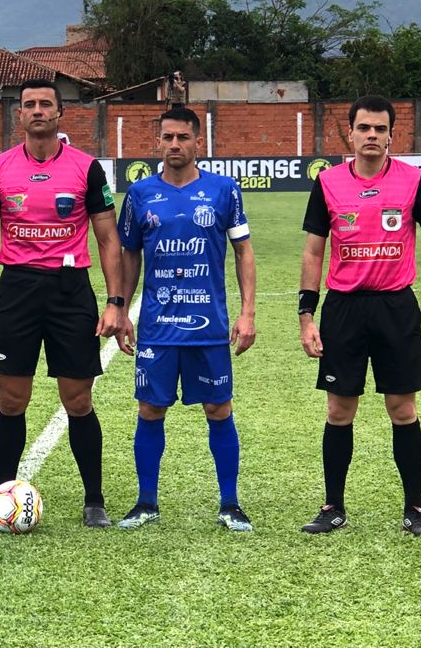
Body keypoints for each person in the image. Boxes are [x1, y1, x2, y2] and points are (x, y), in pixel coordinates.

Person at [0, 78, 125, 528]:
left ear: (59, 113)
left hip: (70, 292)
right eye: (29, 104)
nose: (37, 110)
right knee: (12, 399)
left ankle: (94, 500)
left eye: (45, 104)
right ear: (19, 114)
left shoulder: (87, 169)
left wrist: (115, 302)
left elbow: (108, 239)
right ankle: (2, 495)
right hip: (17, 290)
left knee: (78, 399)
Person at [298, 95, 421, 538]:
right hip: (344, 309)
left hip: (395, 307)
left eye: (380, 129)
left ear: (391, 135)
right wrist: (306, 315)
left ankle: (415, 509)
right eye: (364, 128)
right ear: (350, 134)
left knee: (403, 409)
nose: (371, 135)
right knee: (339, 410)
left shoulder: (413, 181)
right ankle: (333, 506)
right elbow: (313, 251)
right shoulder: (328, 183)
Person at [114, 106, 257, 532]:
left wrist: (247, 312)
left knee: (219, 408)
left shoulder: (223, 190)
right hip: (158, 326)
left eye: (183, 137)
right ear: (158, 141)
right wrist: (120, 309)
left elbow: (243, 251)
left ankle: (230, 504)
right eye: (168, 137)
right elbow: (129, 255)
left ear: (198, 142)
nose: (174, 144)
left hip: (208, 325)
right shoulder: (140, 194)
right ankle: (146, 502)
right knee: (150, 409)